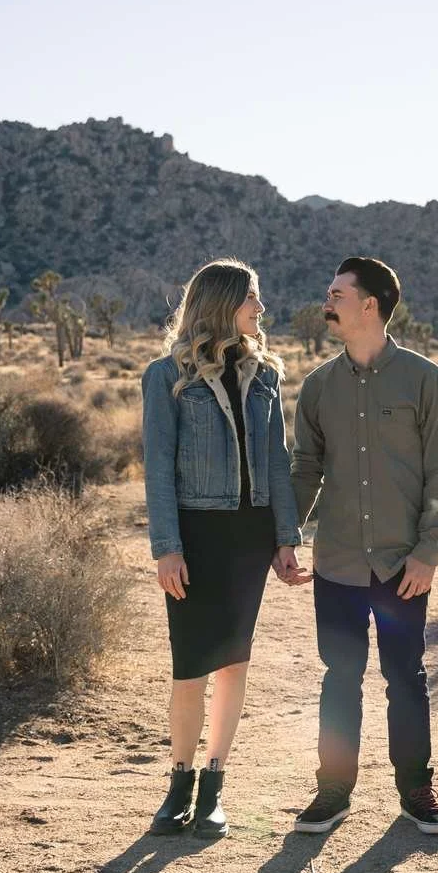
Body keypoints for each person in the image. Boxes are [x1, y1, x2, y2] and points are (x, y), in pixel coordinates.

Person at [281, 256, 438, 836]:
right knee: (340, 674)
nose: (326, 302)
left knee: (405, 675)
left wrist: (429, 551)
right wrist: (287, 534)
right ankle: (333, 791)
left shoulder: (423, 379)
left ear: (369, 306)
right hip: (337, 560)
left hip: (402, 562)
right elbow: (304, 468)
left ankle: (416, 791)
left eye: (336, 293)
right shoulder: (318, 386)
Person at [140, 259, 305, 838]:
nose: (261, 310)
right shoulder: (165, 377)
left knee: (234, 661)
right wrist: (167, 547)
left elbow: (278, 464)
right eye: (252, 299)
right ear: (223, 303)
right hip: (195, 533)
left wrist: (286, 538)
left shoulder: (266, 377)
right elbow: (158, 468)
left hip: (247, 535)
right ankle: (178, 783)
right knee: (190, 665)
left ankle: (214, 785)